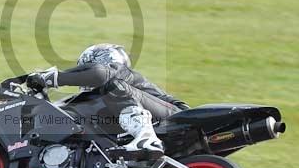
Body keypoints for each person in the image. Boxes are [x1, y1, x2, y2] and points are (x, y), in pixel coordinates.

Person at [26, 44, 189, 159]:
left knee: (114, 86)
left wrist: (52, 77)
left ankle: (146, 139)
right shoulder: (108, 100)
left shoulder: (119, 73)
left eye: (85, 69)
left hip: (175, 117)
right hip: (157, 124)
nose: (83, 76)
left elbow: (99, 74)